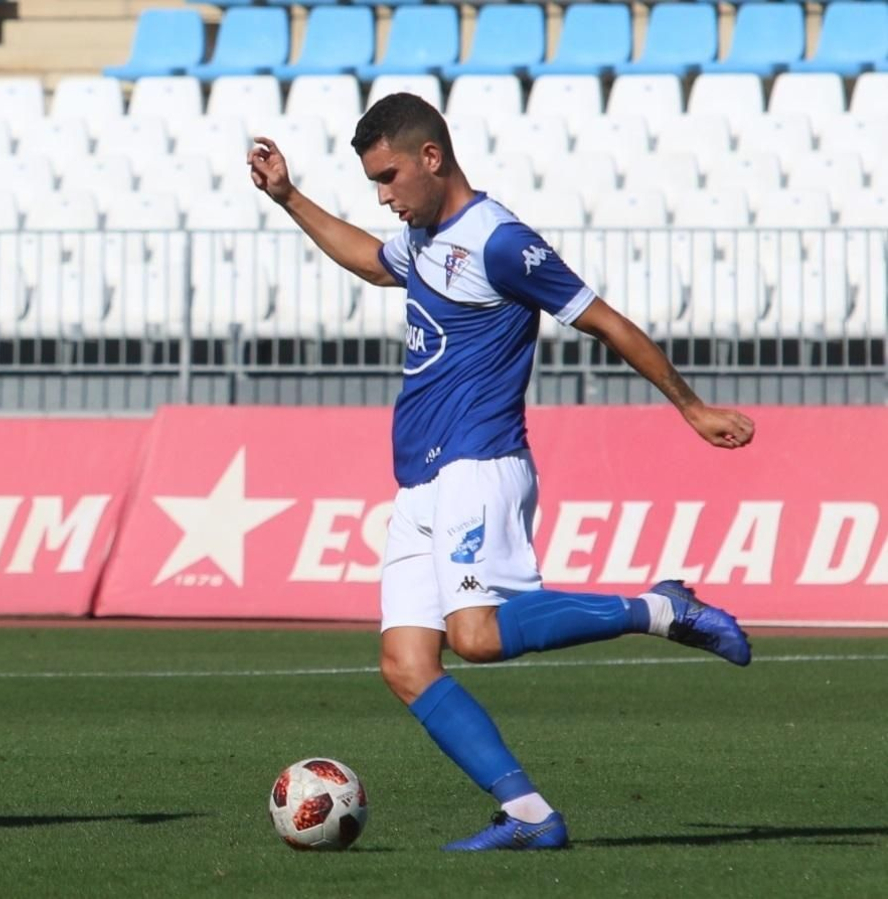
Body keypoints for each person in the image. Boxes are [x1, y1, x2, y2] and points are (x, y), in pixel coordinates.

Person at [248, 93, 755, 851]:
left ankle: (659, 608)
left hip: (478, 464)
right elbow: (371, 262)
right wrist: (289, 196)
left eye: (388, 177)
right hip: (420, 484)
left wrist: (690, 407)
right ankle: (530, 815)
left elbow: (605, 320)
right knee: (406, 665)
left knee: (476, 637)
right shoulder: (422, 237)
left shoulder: (500, 241)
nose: (383, 197)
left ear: (431, 157)